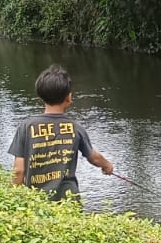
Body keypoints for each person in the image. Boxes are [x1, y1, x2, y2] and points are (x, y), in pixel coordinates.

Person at [8, 64, 113, 201]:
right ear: (69, 98)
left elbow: (19, 171)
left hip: (37, 201)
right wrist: (107, 166)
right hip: (69, 201)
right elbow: (93, 157)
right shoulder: (76, 128)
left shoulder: (26, 127)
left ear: (41, 96)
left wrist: (14, 200)